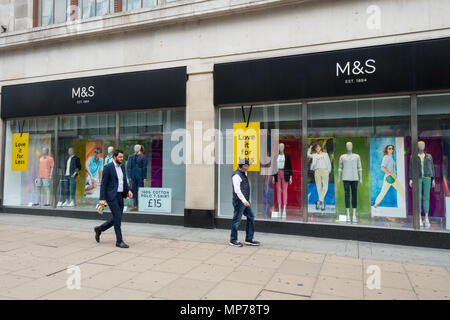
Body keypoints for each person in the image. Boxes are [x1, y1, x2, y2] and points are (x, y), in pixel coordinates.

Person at [94, 149, 133, 248]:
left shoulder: (122, 167)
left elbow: (124, 181)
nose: (121, 159)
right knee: (117, 218)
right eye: (120, 157)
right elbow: (103, 184)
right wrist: (102, 199)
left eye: (122, 157)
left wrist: (128, 190)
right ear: (114, 157)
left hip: (121, 195)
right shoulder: (108, 168)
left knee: (117, 217)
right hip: (111, 196)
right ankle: (119, 241)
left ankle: (99, 229)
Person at [229, 158, 260, 247]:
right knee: (236, 221)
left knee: (251, 216)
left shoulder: (244, 173)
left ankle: (249, 239)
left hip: (245, 201)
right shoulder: (236, 176)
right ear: (243, 166)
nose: (248, 166)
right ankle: (233, 240)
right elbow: (237, 190)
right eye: (247, 165)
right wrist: (244, 201)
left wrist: (245, 201)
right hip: (239, 201)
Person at [308, 143, 332, 211]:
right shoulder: (314, 155)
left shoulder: (325, 154)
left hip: (324, 171)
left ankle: (319, 201)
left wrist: (328, 171)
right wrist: (310, 148)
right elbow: (308, 155)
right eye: (316, 148)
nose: (317, 148)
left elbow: (329, 163)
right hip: (317, 171)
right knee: (319, 188)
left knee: (325, 188)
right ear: (315, 149)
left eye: (318, 147)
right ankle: (323, 204)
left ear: (320, 147)